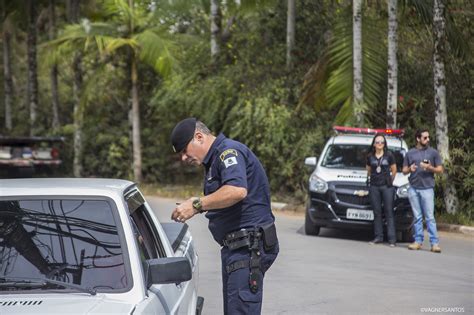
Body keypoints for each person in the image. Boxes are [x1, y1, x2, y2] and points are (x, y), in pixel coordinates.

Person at [170, 117, 279, 314]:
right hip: (238, 247)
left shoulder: (228, 152)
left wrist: (197, 204)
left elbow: (237, 190)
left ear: (200, 137)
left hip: (247, 247)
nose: (184, 158)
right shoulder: (214, 160)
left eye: (185, 151)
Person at [402, 129, 443, 253]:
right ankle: (417, 241)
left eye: (428, 137)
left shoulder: (433, 153)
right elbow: (403, 170)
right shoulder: (410, 153)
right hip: (413, 188)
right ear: (418, 139)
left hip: (427, 189)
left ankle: (434, 243)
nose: (428, 140)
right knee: (417, 217)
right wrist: (410, 168)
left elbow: (440, 170)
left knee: (429, 217)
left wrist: (430, 168)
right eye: (425, 138)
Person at [366, 133, 397, 247]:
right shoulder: (370, 156)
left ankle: (392, 239)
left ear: (384, 144)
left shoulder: (389, 155)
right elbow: (369, 170)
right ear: (374, 144)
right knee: (377, 212)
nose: (380, 144)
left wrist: (390, 180)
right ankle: (378, 237)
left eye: (382, 142)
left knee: (389, 212)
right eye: (377, 142)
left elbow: (394, 170)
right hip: (374, 186)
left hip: (386, 187)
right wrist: (374, 178)